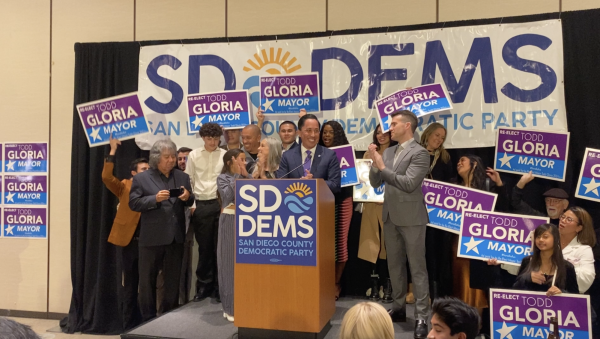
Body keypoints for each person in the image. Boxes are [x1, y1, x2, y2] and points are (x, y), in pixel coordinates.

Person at [367, 110, 429, 338]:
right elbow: (375, 183)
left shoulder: (420, 153)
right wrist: (376, 164)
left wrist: (383, 167)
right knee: (394, 266)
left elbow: (410, 183)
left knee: (417, 268)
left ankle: (422, 315)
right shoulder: (390, 151)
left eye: (394, 124)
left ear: (407, 127)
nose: (389, 128)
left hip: (412, 218)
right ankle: (400, 307)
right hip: (390, 215)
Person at [129, 139, 194, 321]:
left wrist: (188, 197)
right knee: (147, 282)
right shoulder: (142, 178)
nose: (172, 160)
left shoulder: (182, 177)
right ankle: (148, 319)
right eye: (167, 157)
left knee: (172, 282)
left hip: (175, 238)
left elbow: (189, 201)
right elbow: (133, 203)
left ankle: (168, 318)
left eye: (173, 156)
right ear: (157, 158)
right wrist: (154, 199)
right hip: (151, 239)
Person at [101, 135, 148, 329]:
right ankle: (128, 325)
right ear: (133, 174)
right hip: (129, 242)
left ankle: (148, 323)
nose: (147, 172)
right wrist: (112, 151)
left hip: (148, 242)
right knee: (129, 284)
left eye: (148, 169)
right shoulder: (125, 186)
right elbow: (106, 177)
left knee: (147, 286)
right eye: (143, 170)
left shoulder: (155, 187)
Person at [185, 122, 227, 302]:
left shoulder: (225, 155)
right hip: (201, 204)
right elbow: (189, 180)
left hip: (220, 205)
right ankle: (203, 287)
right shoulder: (194, 155)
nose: (213, 142)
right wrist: (192, 205)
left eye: (216, 138)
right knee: (204, 249)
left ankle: (219, 288)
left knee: (220, 248)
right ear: (203, 138)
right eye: (210, 138)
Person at [359, 124, 397, 303]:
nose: (381, 136)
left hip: (389, 204)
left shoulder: (396, 153)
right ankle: (373, 283)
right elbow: (363, 179)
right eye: (378, 132)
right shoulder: (368, 154)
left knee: (388, 245)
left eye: (384, 132)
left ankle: (388, 284)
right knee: (371, 244)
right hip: (370, 205)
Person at [318, 120, 353, 300]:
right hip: (322, 201)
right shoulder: (316, 153)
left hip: (343, 200)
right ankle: (323, 282)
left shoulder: (345, 153)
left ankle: (335, 284)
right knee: (323, 245)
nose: (327, 136)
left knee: (340, 244)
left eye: (330, 132)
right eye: (324, 132)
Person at [420, 123, 454, 302]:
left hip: (439, 214)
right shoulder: (416, 152)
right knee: (422, 252)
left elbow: (450, 183)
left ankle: (437, 293)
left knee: (438, 252)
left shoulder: (445, 157)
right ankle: (422, 292)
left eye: (442, 137)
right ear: (428, 133)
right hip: (418, 209)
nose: (439, 140)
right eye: (437, 135)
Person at [217, 149, 250, 322]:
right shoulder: (223, 178)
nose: (244, 163)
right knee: (229, 265)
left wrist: (247, 176)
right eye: (241, 160)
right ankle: (230, 307)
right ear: (231, 161)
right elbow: (228, 197)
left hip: (248, 224)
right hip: (230, 221)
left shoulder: (247, 176)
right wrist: (238, 177)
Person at [275, 114, 341, 194]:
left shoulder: (329, 155)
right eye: (308, 130)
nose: (313, 135)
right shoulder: (287, 156)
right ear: (299, 133)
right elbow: (280, 183)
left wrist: (315, 182)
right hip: (292, 202)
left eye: (316, 131)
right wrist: (299, 185)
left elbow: (335, 185)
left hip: (320, 203)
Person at [512, 223, 579, 295]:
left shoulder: (567, 267)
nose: (540, 240)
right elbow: (515, 291)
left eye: (545, 237)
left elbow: (576, 297)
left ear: (556, 238)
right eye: (538, 237)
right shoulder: (527, 261)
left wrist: (561, 292)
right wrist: (527, 278)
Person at [559, 206, 596, 293]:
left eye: (569, 219)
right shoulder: (548, 240)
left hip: (568, 296)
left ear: (579, 228)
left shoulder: (584, 249)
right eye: (563, 217)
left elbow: (586, 278)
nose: (563, 220)